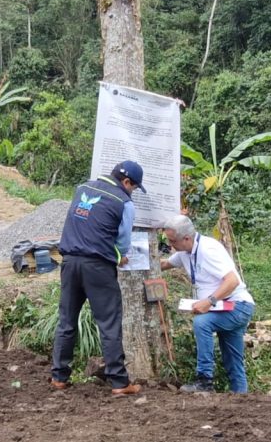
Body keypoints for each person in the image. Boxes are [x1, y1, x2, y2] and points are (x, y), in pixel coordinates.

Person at [50, 160, 146, 396]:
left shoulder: (82, 188)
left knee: (66, 321)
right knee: (109, 324)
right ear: (126, 182)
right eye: (134, 187)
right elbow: (123, 242)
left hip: (70, 262)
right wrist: (120, 256)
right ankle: (119, 383)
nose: (132, 192)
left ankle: (59, 377)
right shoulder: (124, 203)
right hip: (98, 267)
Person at [160, 214, 255, 393]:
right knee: (233, 359)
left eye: (172, 241)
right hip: (222, 308)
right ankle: (241, 397)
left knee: (202, 323)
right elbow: (164, 264)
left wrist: (209, 301)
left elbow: (232, 281)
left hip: (237, 306)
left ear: (186, 238)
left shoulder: (209, 249)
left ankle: (204, 380)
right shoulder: (185, 252)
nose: (170, 245)